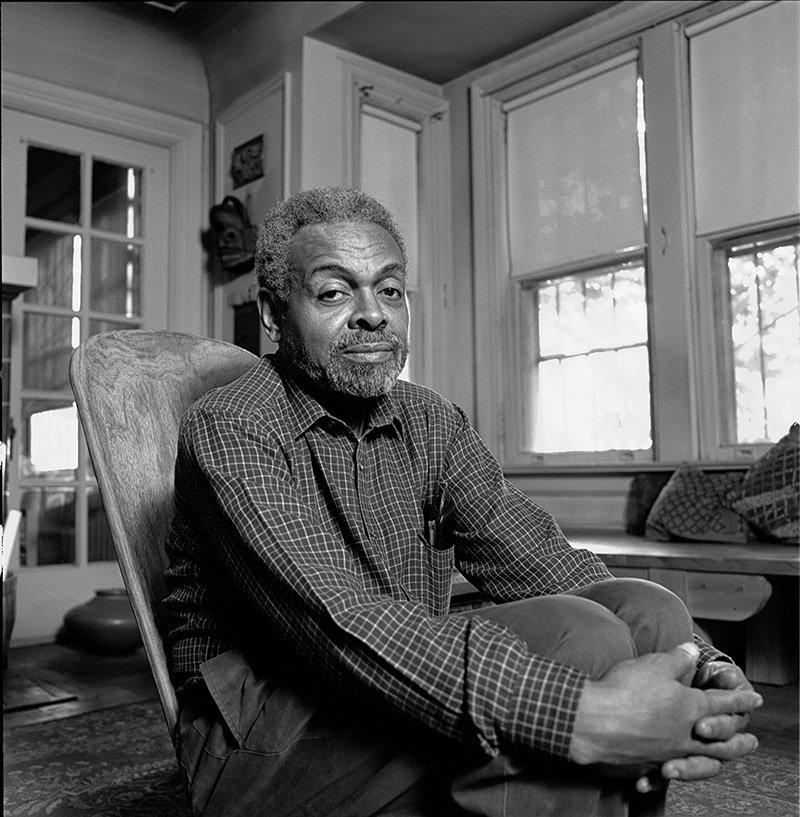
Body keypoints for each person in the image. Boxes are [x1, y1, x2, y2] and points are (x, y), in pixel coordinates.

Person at [164, 187, 761, 817]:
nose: (374, 315)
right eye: (335, 292)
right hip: (257, 738)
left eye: (390, 290)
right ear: (273, 312)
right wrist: (578, 714)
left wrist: (705, 665)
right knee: (577, 639)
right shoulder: (233, 424)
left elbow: (540, 557)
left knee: (648, 612)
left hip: (392, 687)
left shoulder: (429, 421)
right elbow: (332, 621)